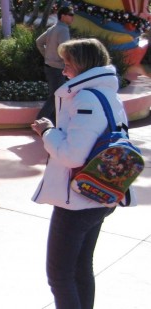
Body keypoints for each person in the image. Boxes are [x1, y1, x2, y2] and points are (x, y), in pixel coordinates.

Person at [31, 38, 135, 309]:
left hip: (78, 199)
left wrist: (47, 132)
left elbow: (71, 155)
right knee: (80, 268)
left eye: (68, 65)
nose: (64, 71)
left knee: (60, 275)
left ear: (83, 66)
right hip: (103, 192)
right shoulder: (108, 93)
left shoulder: (86, 97)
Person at [35, 6, 75, 124]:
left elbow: (39, 42)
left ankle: (51, 121)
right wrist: (69, 64)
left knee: (56, 95)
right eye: (70, 14)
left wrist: (47, 56)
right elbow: (66, 49)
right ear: (62, 16)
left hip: (50, 66)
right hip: (58, 68)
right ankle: (40, 122)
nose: (73, 17)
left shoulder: (53, 28)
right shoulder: (63, 30)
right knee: (56, 96)